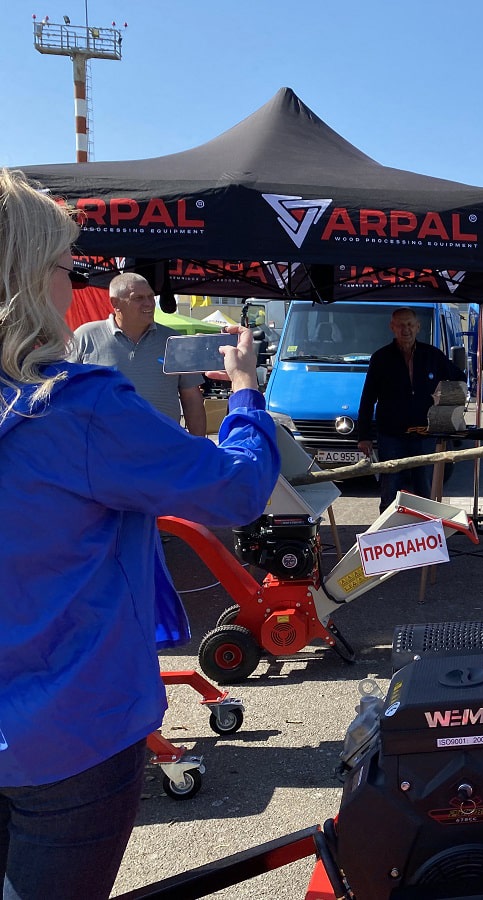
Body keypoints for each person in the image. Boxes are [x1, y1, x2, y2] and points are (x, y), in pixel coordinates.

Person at [0, 167, 280, 899]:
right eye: (71, 267)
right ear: (32, 275)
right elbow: (238, 487)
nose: (76, 284)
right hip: (70, 738)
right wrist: (246, 391)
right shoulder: (76, 406)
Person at [70, 272, 207, 435]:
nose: (149, 303)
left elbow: (191, 398)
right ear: (115, 303)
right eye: (139, 298)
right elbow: (65, 392)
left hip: (164, 449)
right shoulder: (85, 336)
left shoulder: (174, 340)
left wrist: (199, 447)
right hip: (102, 449)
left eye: (151, 297)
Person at [356, 307, 466, 511]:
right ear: (392, 327)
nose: (405, 329)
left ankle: (425, 537)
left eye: (409, 325)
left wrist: (445, 415)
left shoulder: (433, 355)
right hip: (391, 436)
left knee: (425, 491)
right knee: (390, 491)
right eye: (400, 325)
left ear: (418, 327)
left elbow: (460, 378)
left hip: (425, 435)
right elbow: (367, 398)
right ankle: (387, 535)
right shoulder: (380, 358)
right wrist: (364, 436)